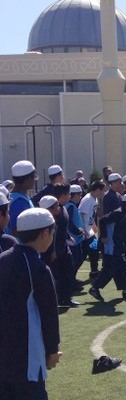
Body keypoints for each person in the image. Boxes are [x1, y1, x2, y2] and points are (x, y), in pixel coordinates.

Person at [0, 208, 62, 400]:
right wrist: (52, 349)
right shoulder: (38, 268)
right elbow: (49, 313)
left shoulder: (3, 259)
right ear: (45, 233)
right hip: (26, 356)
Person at [88, 193, 126, 302]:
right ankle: (95, 288)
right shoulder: (118, 213)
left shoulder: (124, 214)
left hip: (116, 245)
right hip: (109, 246)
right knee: (109, 269)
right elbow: (102, 221)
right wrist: (104, 236)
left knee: (121, 266)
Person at [79, 180, 105, 279]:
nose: (103, 192)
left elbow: (91, 215)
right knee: (83, 255)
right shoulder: (87, 199)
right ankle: (70, 276)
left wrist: (94, 226)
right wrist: (83, 229)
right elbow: (81, 214)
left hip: (90, 231)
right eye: (102, 190)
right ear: (98, 189)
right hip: (86, 232)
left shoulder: (94, 199)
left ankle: (94, 271)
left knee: (94, 251)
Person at [7, 160, 37, 235]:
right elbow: (16, 229)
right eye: (34, 177)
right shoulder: (20, 202)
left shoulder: (13, 197)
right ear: (28, 179)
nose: (35, 180)